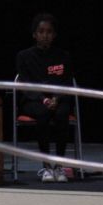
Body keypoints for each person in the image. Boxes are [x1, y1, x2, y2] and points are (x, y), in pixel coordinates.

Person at [15, 12, 75, 183]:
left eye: (49, 32)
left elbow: (67, 83)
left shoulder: (63, 56)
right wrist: (44, 99)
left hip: (59, 99)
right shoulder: (24, 56)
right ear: (34, 34)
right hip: (33, 100)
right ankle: (47, 166)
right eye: (41, 32)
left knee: (62, 113)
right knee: (43, 113)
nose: (45, 35)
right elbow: (25, 85)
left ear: (54, 35)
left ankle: (59, 165)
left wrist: (56, 98)